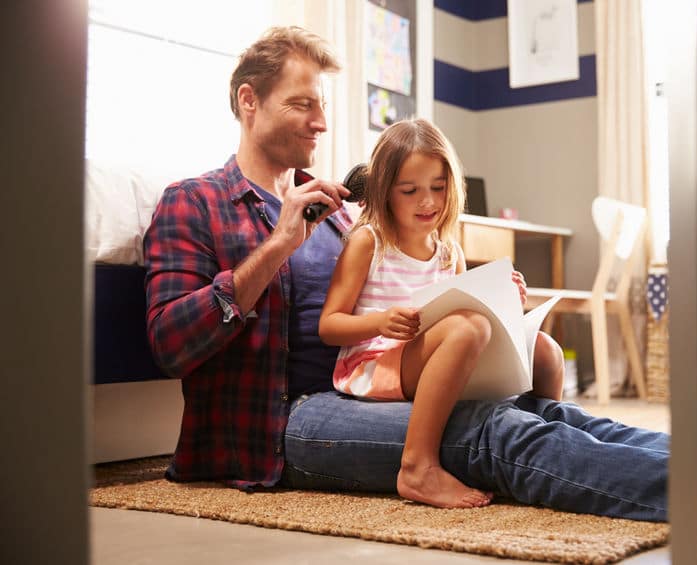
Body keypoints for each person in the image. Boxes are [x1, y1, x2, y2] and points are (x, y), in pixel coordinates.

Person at [144, 25, 670, 521]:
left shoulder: (342, 214)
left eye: (322, 107)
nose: (321, 124)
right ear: (248, 102)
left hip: (373, 389)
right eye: (302, 104)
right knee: (493, 430)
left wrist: (490, 299)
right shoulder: (195, 202)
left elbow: (417, 294)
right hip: (282, 422)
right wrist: (278, 244)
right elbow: (171, 345)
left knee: (549, 414)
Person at [318, 118, 565, 509]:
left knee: (546, 351)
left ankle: (542, 442)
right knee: (467, 329)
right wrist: (379, 322)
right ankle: (417, 466)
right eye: (410, 190)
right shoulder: (369, 242)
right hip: (374, 365)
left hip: (435, 357)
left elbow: (470, 312)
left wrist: (504, 298)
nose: (428, 201)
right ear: (385, 191)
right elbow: (329, 326)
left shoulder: (450, 252)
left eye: (438, 187)